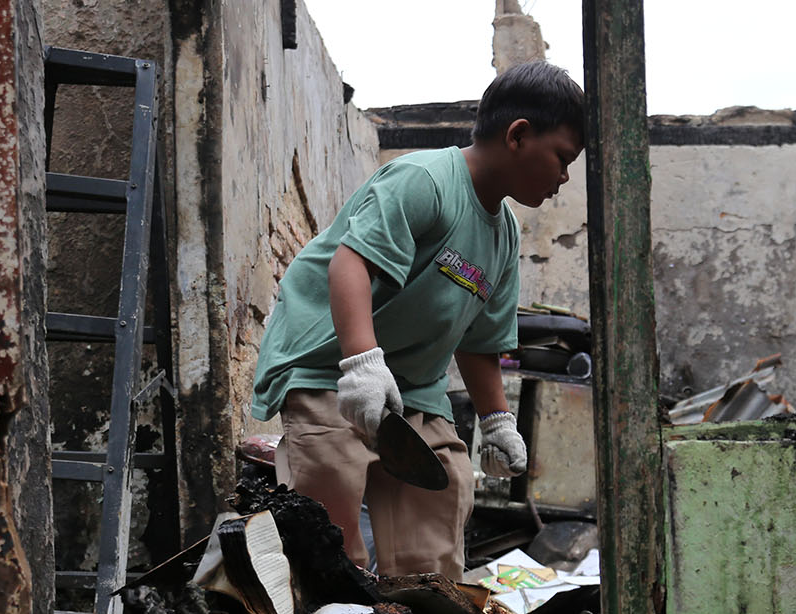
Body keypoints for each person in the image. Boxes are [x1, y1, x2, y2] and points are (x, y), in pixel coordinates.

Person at [249, 62, 585, 581]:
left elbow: (479, 342)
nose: (564, 178)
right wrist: (361, 364)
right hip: (331, 367)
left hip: (416, 389)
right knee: (329, 521)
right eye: (563, 159)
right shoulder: (425, 180)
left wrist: (497, 422)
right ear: (518, 134)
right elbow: (349, 262)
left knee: (445, 494)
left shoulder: (504, 238)